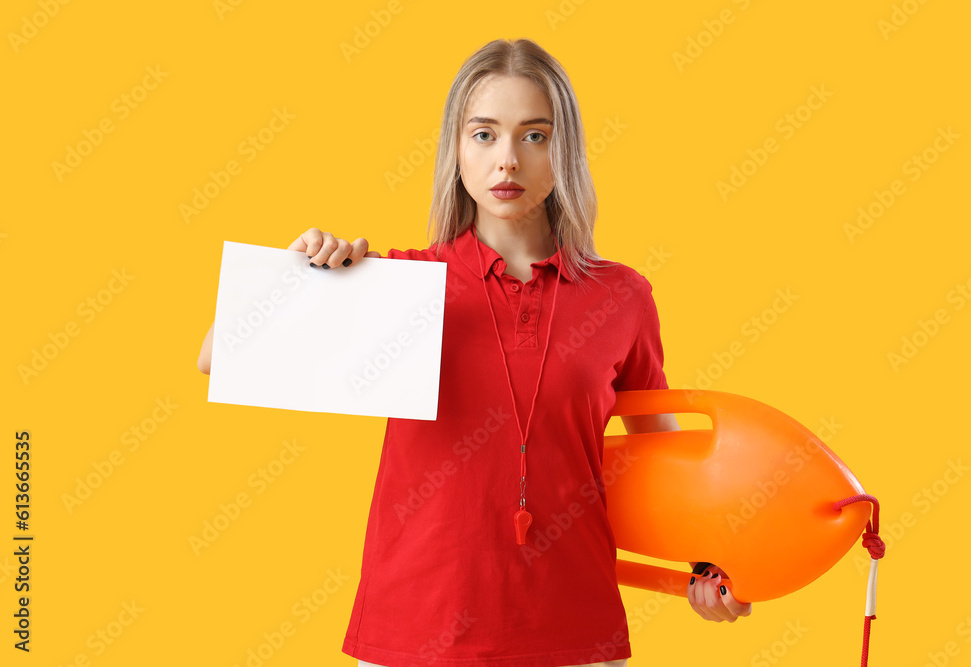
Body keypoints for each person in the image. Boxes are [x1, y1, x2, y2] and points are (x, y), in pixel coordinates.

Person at [197, 38, 750, 667]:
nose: (507, 160)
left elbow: (663, 452)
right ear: (455, 150)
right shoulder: (393, 282)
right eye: (484, 135)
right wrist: (300, 273)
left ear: (564, 150)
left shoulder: (621, 296)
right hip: (414, 632)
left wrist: (706, 564)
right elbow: (219, 355)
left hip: (573, 628)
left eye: (534, 136)